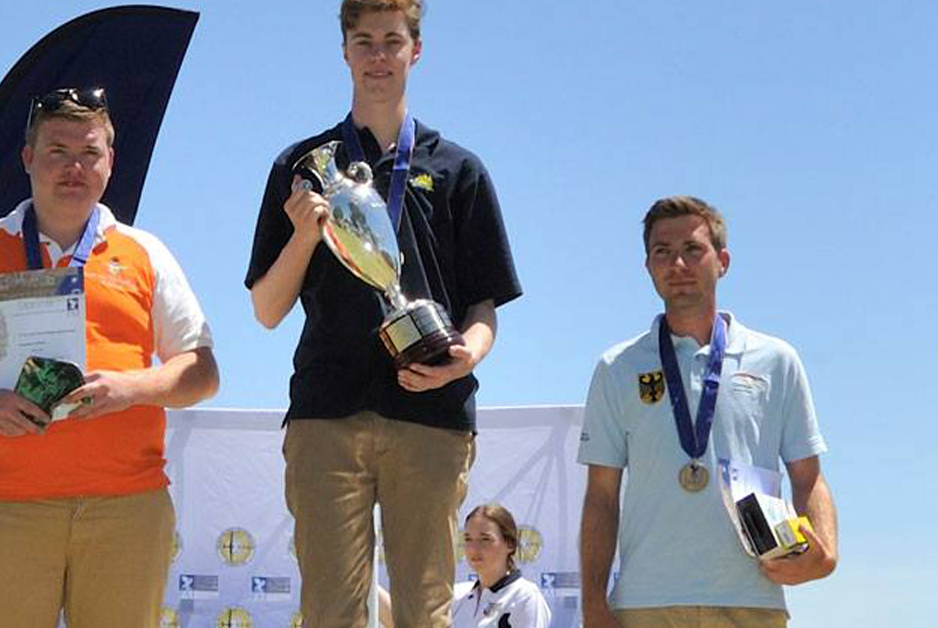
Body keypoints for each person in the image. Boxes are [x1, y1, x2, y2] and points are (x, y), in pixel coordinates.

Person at [0, 87, 218, 628]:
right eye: (57, 151)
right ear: (28, 158)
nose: (75, 167)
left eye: (90, 152)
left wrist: (129, 389)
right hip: (0, 509)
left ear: (110, 163)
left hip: (125, 509)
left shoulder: (146, 253)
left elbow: (202, 373)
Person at [244, 1, 522, 627]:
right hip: (326, 409)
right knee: (330, 611)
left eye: (391, 41)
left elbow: (483, 305)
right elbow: (266, 309)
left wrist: (463, 361)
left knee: (426, 608)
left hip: (431, 414)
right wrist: (304, 237)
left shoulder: (459, 170)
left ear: (414, 51)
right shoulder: (302, 166)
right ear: (344, 51)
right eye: (363, 41)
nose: (377, 56)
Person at [577, 196, 839, 628]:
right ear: (647, 267)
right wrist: (592, 604)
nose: (677, 263)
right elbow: (601, 497)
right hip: (645, 602)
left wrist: (825, 552)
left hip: (750, 597)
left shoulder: (776, 359)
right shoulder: (616, 366)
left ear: (722, 261)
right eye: (662, 251)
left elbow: (808, 475)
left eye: (692, 249)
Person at [379, 505, 553, 628]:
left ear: (510, 544)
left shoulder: (525, 597)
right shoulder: (457, 596)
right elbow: (406, 623)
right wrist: (369, 583)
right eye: (468, 539)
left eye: (485, 539)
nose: (473, 548)